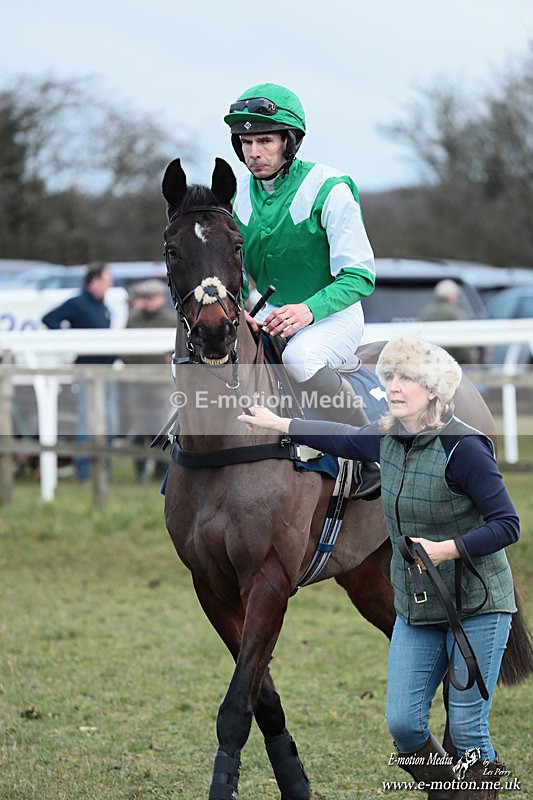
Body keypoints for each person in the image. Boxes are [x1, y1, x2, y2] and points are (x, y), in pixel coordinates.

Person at [238, 336, 520, 800]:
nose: (392, 386)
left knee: (468, 732)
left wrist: (448, 549)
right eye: (390, 377)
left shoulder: (465, 448)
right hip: (418, 602)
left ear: (432, 390)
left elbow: (508, 525)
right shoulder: (387, 435)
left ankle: (476, 794)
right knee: (405, 727)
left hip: (477, 604)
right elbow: (337, 435)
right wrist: (279, 422)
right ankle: (452, 791)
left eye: (405, 379)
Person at [224, 82, 380, 499]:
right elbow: (234, 276)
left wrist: (307, 311)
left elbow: (360, 276)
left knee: (299, 355)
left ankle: (372, 453)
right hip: (269, 314)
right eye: (245, 142)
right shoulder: (236, 199)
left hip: (331, 315)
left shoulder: (330, 187)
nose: (252, 152)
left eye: (264, 141)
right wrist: (239, 313)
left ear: (288, 142)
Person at [42, 262, 118, 481]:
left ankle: (105, 469)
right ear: (93, 282)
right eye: (106, 281)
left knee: (109, 422)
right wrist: (69, 341)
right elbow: (50, 319)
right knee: (87, 420)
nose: (108, 286)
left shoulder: (103, 306)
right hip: (87, 369)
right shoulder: (78, 303)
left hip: (107, 370)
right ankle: (84, 471)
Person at [124, 279, 176, 483]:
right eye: (146, 298)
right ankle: (140, 471)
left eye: (153, 297)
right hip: (138, 382)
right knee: (139, 427)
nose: (149, 301)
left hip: (162, 383)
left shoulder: (170, 320)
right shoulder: (133, 320)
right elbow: (125, 349)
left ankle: (162, 469)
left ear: (161, 299)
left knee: (163, 426)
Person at [421, 280, 475, 365]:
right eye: (457, 296)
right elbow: (463, 344)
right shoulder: (455, 313)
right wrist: (471, 363)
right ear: (451, 296)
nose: (458, 299)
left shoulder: (427, 312)